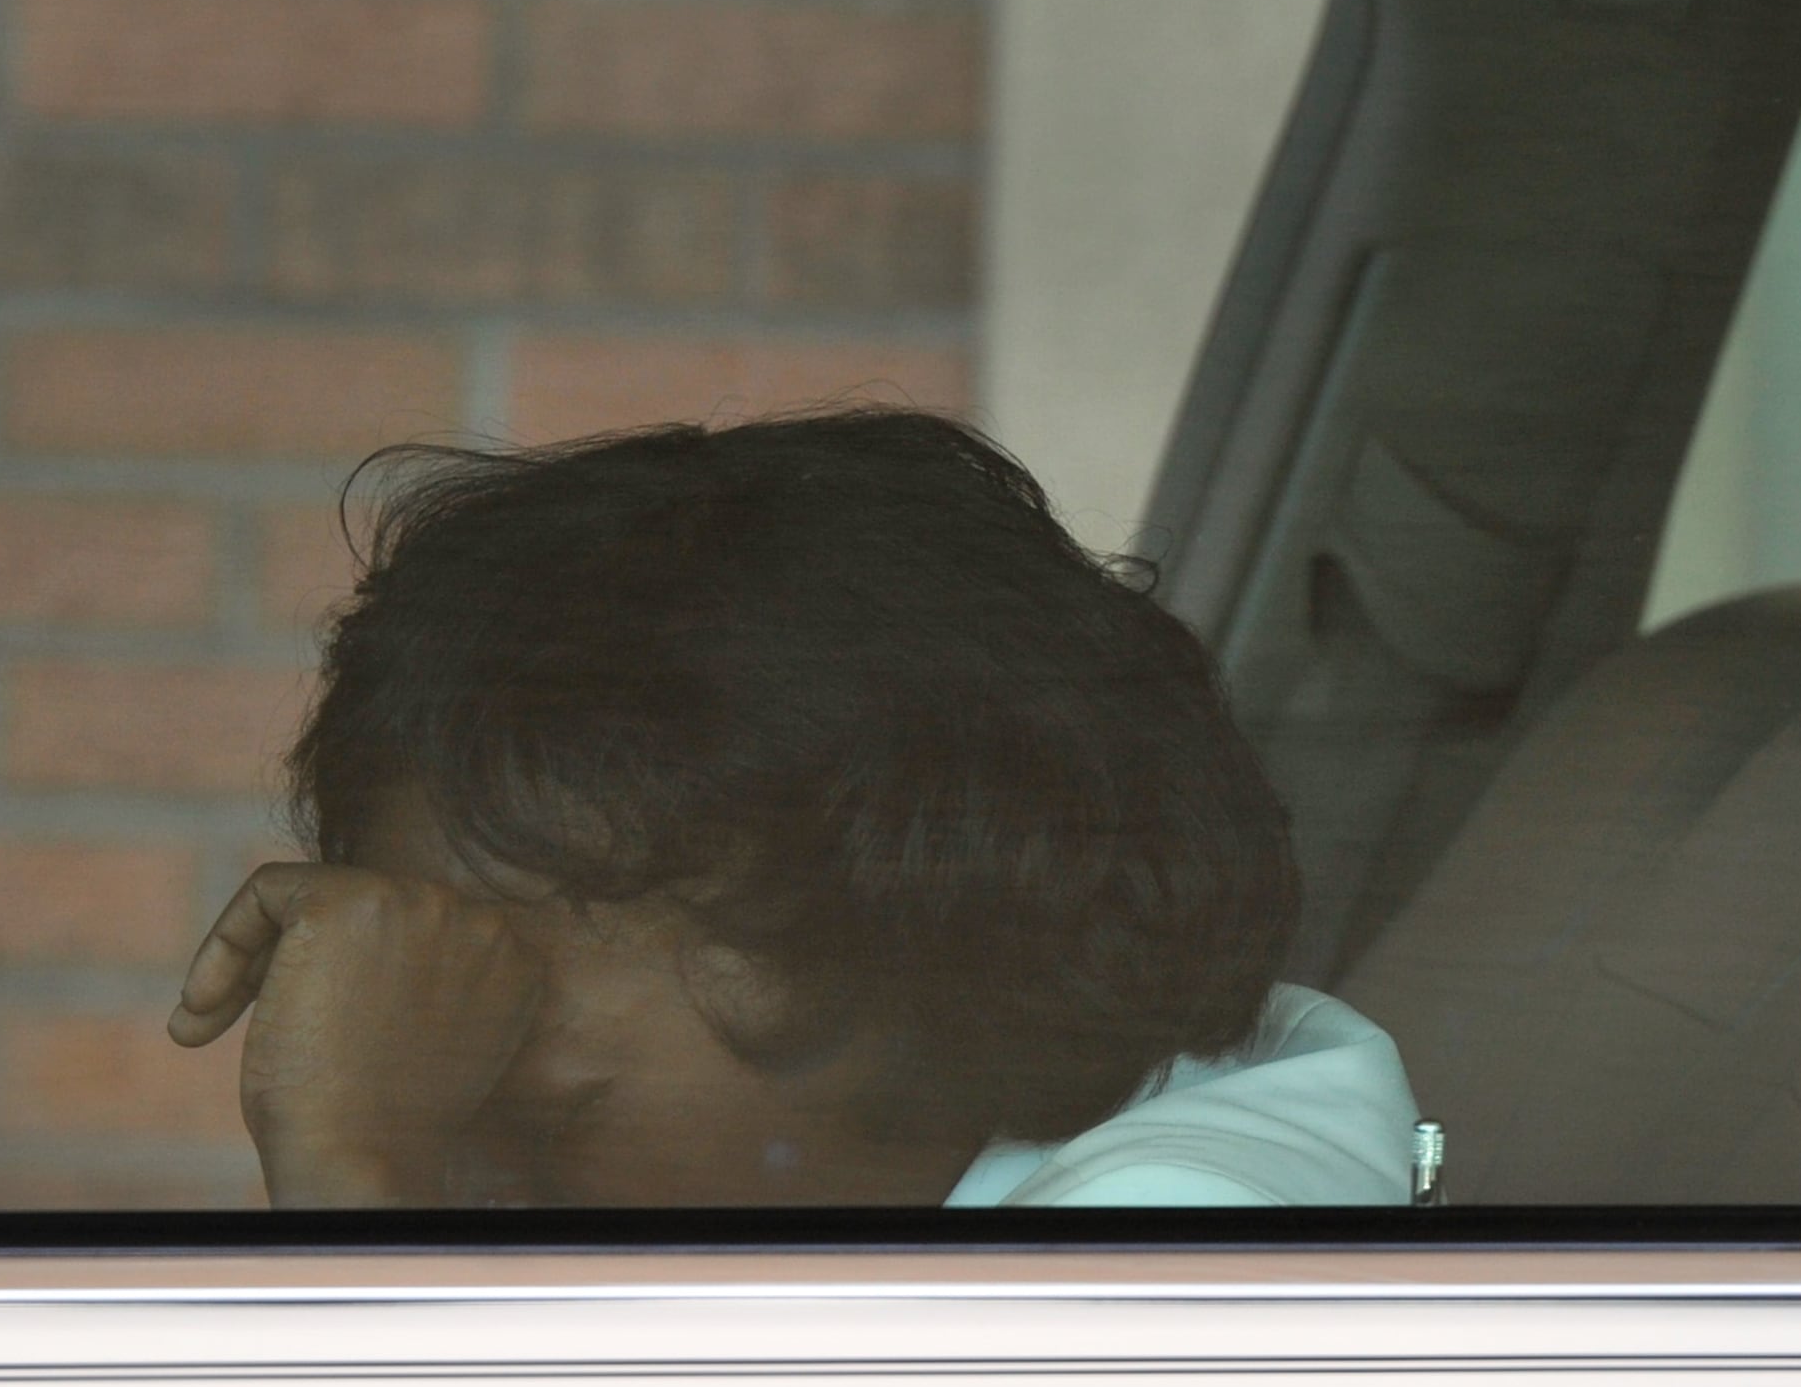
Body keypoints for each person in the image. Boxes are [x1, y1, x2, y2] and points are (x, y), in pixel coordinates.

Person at [165, 407, 1417, 1209]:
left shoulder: (1170, 1239)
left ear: (936, 957)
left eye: (548, 1126)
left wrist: (351, 1176)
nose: (477, 1187)